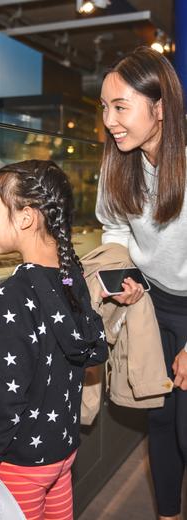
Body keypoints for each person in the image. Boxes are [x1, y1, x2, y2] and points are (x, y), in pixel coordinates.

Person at [0, 160, 108, 519]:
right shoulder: (70, 276)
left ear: (27, 217)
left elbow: (5, 392)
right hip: (61, 452)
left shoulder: (14, 293)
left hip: (19, 464)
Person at [97, 46, 187, 520]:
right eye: (106, 107)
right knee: (161, 419)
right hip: (153, 305)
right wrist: (125, 279)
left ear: (159, 108)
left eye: (121, 107)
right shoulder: (118, 162)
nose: (110, 120)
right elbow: (114, 231)